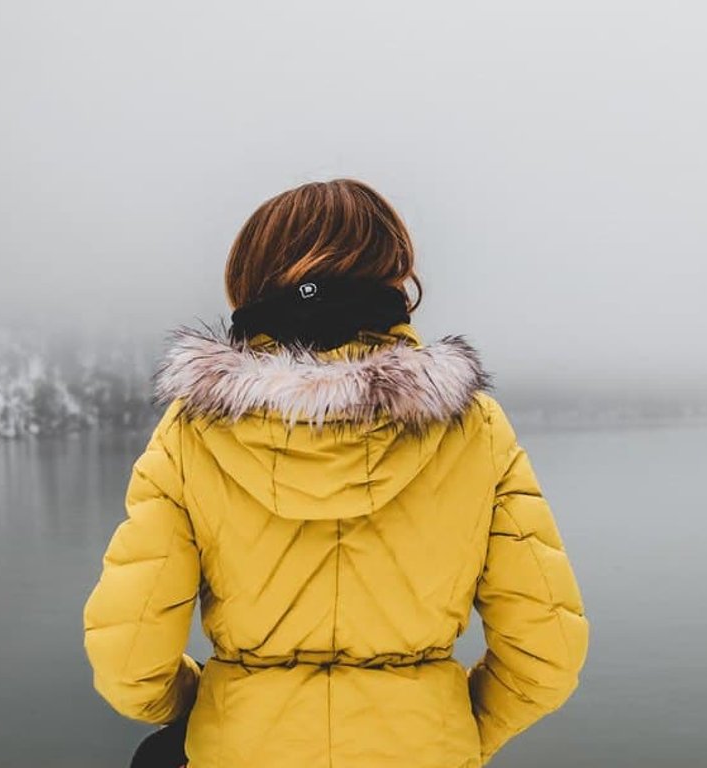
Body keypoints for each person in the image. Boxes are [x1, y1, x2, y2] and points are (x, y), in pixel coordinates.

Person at [83, 178, 589, 768]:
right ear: (394, 276)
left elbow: (129, 662)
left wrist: (216, 710)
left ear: (248, 278)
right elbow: (547, 656)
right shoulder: (473, 426)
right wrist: (452, 728)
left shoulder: (192, 431)